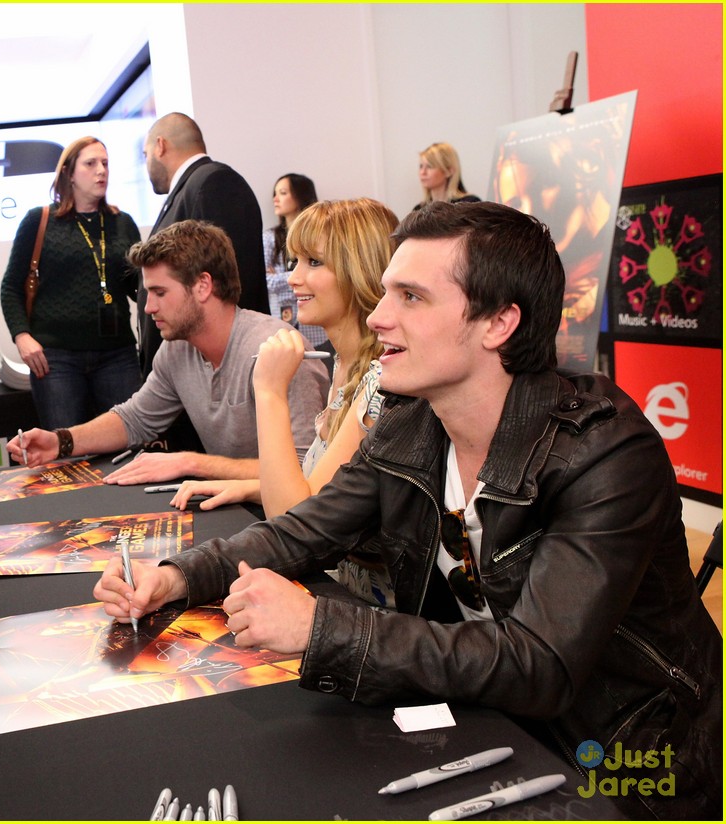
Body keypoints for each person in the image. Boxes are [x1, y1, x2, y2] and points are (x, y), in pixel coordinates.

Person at [96, 201, 721, 819]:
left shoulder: (606, 453)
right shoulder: (414, 424)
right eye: (386, 292)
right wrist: (176, 575)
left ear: (498, 322)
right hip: (486, 725)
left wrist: (323, 628)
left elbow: (539, 665)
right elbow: (302, 533)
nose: (378, 317)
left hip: (626, 762)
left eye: (411, 297)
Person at [172, 198, 398, 607]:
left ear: (359, 271)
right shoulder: (347, 362)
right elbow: (325, 490)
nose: (293, 278)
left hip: (364, 611)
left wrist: (270, 391)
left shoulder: (380, 380)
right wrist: (248, 487)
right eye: (296, 260)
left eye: (313, 262)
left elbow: (298, 519)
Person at [9, 220, 329, 486]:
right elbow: (135, 419)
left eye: (160, 292)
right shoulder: (177, 349)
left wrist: (192, 464)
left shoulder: (280, 350)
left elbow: (305, 468)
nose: (148, 307)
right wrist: (61, 441)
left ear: (203, 286)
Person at [0, 136, 142, 430]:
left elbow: (137, 287)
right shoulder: (39, 221)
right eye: (90, 164)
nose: (101, 170)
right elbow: (11, 287)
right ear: (69, 174)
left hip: (117, 355)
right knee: (65, 451)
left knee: (131, 441)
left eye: (105, 163)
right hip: (57, 360)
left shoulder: (122, 223)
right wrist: (22, 336)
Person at [138, 113, 267, 378]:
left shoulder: (214, 183)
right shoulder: (193, 188)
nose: (146, 163)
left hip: (214, 374)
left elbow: (228, 285)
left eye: (145, 154)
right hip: (189, 373)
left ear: (160, 146)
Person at [262, 173, 328, 353]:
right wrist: (301, 275)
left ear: (300, 195)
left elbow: (327, 272)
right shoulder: (270, 238)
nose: (275, 199)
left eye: (283, 193)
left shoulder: (318, 237)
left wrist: (280, 278)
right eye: (275, 194)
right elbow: (265, 282)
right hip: (282, 327)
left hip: (317, 331)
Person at [414, 141, 480, 211]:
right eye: (421, 166)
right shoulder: (418, 210)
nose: (422, 172)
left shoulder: (470, 205)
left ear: (449, 171)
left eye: (430, 166)